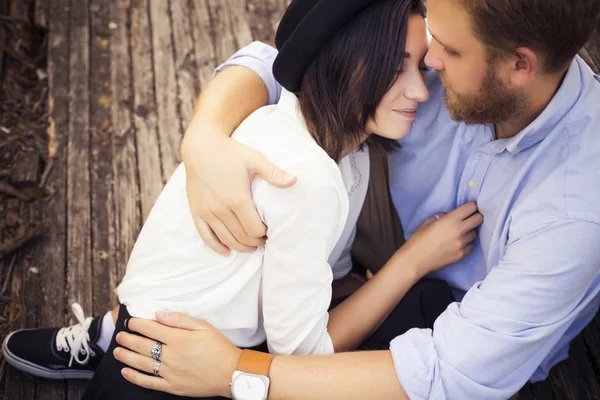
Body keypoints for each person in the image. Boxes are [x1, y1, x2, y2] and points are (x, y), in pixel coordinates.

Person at [104, 0, 600, 399]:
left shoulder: (573, 215)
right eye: (430, 35)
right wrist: (204, 140)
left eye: (446, 49)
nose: (429, 64)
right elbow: (284, 60)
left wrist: (235, 372)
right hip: (363, 235)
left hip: (465, 324)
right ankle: (139, 328)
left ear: (519, 66)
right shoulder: (440, 40)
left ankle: (143, 335)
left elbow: (445, 373)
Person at [3, 0, 482, 399]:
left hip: (175, 336)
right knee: (419, 303)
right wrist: (411, 260)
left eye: (419, 66)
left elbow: (323, 275)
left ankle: (110, 335)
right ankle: (108, 339)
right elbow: (301, 356)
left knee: (422, 305)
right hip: (162, 373)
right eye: (397, 68)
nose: (421, 90)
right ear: (347, 61)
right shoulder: (308, 175)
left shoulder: (334, 145)